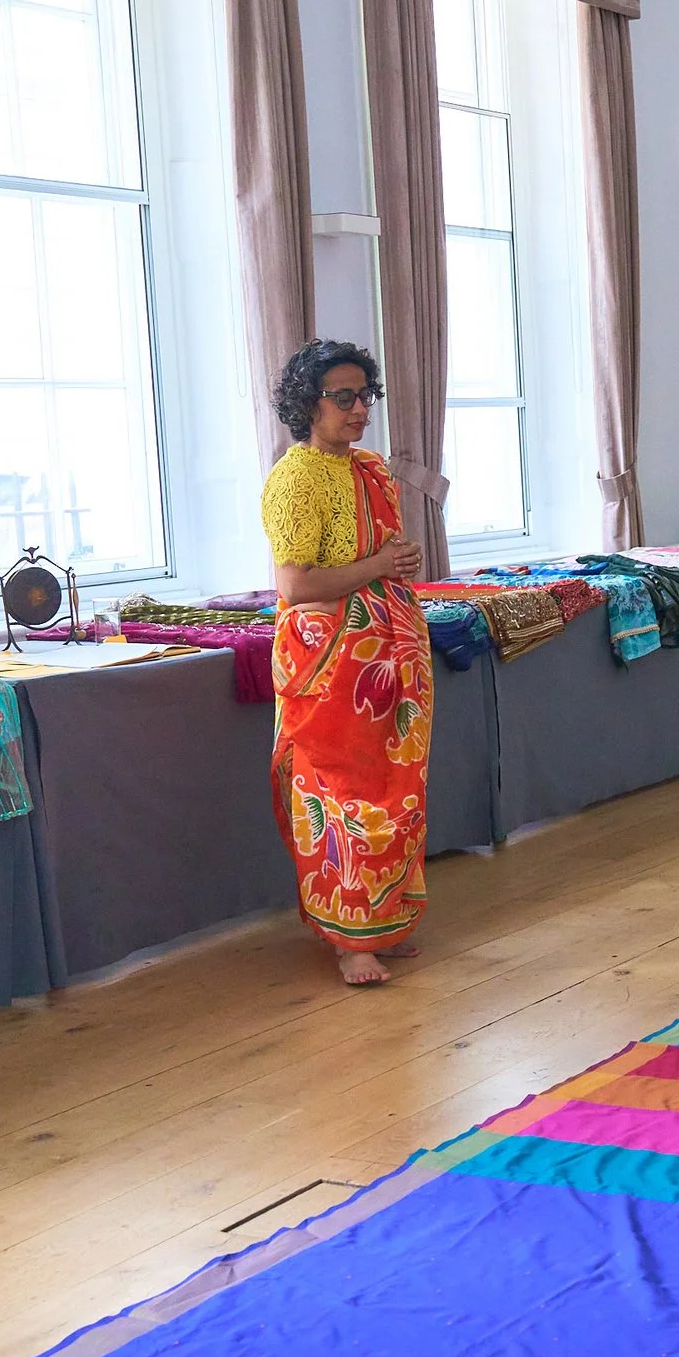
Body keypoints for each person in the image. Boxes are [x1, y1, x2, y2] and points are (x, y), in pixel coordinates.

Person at [260, 339, 433, 987]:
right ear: (309, 403)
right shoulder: (295, 478)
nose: (361, 408)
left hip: (388, 654)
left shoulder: (372, 468)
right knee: (340, 792)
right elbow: (295, 586)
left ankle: (384, 920)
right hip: (329, 661)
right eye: (345, 397)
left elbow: (380, 556)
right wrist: (381, 567)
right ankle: (347, 936)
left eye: (366, 395)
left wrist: (398, 566)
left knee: (397, 786)